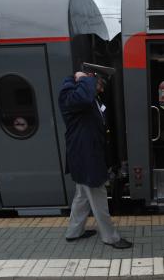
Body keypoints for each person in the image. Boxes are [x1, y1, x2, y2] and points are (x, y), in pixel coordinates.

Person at [59, 70, 132, 249]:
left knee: (82, 196)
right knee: (98, 198)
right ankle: (111, 238)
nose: (99, 90)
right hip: (86, 159)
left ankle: (73, 232)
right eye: (98, 85)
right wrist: (85, 78)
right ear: (88, 81)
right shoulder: (71, 97)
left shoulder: (89, 98)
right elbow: (84, 97)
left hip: (87, 157)